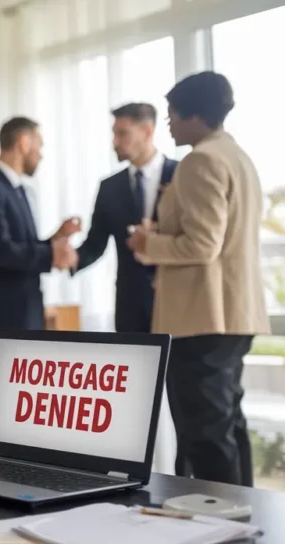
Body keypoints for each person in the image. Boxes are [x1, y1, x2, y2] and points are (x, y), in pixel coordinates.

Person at [127, 71, 269, 486]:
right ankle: (242, 516)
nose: (168, 122)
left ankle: (217, 523)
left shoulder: (200, 160)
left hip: (203, 319)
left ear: (195, 114)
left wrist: (147, 243)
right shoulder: (237, 156)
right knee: (226, 424)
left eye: (172, 113)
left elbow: (202, 245)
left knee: (204, 434)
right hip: (232, 316)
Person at [0, 116, 80, 360]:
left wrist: (55, 240)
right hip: (1, 315)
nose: (41, 153)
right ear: (24, 142)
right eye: (39, 144)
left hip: (19, 313)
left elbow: (19, 247)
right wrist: (51, 254)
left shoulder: (14, 189)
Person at [74, 103, 178, 333]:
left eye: (122, 133)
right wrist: (64, 257)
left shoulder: (181, 175)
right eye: (114, 134)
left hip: (177, 302)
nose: (115, 142)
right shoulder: (109, 187)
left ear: (147, 131)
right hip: (130, 307)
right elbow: (95, 244)